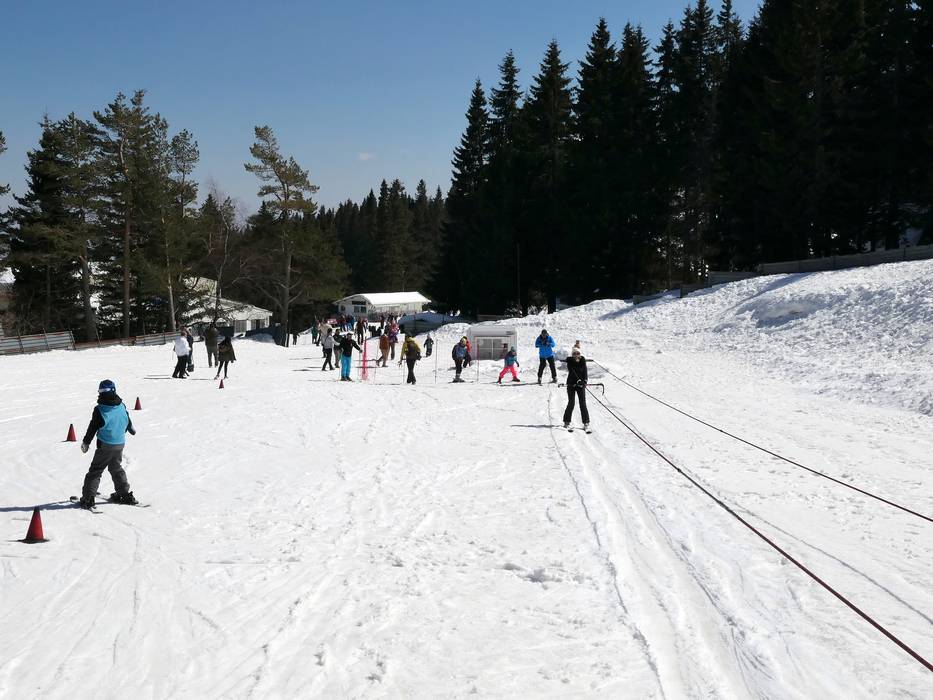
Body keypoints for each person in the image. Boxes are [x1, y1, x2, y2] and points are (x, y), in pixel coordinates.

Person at [77, 379, 138, 508]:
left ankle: (88, 497)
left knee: (96, 470)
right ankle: (124, 493)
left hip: (105, 445)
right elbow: (126, 418)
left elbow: (92, 427)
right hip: (119, 443)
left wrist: (86, 442)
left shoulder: (100, 409)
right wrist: (131, 428)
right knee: (116, 468)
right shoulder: (121, 405)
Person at [562, 347, 590, 431]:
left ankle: (586, 422)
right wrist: (578, 381)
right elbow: (572, 372)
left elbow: (585, 371)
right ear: (572, 354)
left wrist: (585, 381)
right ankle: (566, 422)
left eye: (578, 353)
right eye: (574, 354)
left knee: (582, 403)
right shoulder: (570, 361)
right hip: (571, 384)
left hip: (580, 385)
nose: (576, 355)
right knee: (571, 403)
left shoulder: (582, 360)